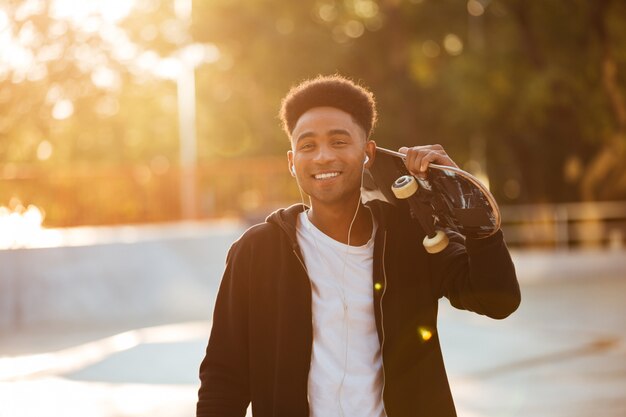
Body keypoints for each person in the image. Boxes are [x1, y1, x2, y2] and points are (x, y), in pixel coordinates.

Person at [196, 75, 521, 417]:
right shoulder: (259, 250)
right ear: (292, 162)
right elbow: (224, 374)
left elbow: (497, 300)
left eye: (339, 142)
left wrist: (466, 198)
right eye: (308, 146)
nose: (323, 157)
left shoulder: (411, 236)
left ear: (367, 153)